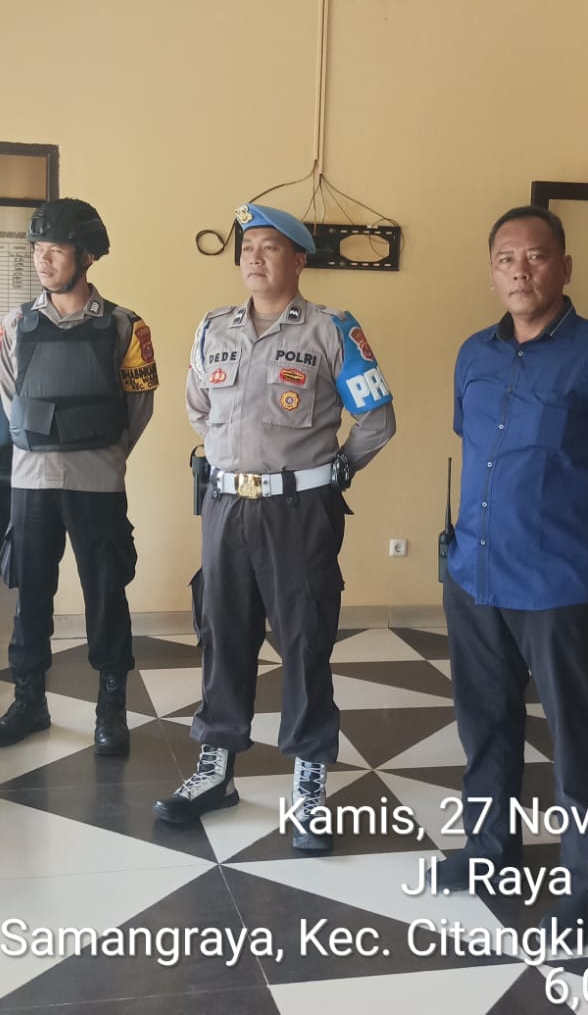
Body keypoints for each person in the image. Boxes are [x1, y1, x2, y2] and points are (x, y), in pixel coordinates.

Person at [435, 205, 588, 955]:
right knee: (485, 724)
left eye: (537, 257)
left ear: (565, 268)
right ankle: (489, 849)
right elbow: (478, 449)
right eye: (506, 259)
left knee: (577, 742)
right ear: (491, 272)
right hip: (475, 575)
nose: (521, 271)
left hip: (562, 587)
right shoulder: (473, 355)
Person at [153, 203, 396, 853]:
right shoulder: (213, 328)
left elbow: (377, 418)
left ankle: (309, 782)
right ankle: (216, 767)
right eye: (246, 249)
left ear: (298, 259)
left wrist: (333, 472)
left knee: (305, 639)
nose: (254, 259)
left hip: (299, 512)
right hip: (225, 507)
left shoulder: (331, 330)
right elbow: (199, 408)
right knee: (221, 633)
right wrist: (236, 458)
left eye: (268, 247)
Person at [0, 198, 157, 755]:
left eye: (55, 249)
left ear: (87, 256)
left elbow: (138, 408)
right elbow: (11, 398)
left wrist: (102, 454)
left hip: (96, 482)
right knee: (30, 594)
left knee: (106, 593)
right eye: (37, 249)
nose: (43, 259)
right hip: (31, 482)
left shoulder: (126, 325)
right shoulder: (15, 324)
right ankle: (29, 701)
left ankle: (111, 707)